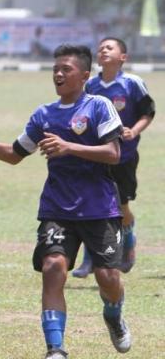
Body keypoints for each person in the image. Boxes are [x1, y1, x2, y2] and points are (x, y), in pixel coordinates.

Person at [0, 44, 131, 359]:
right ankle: (55, 349)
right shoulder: (44, 115)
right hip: (57, 208)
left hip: (99, 208)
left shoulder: (99, 106)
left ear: (84, 75)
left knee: (108, 278)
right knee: (53, 267)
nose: (58, 74)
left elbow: (113, 153)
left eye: (66, 69)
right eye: (55, 69)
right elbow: (14, 154)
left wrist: (69, 147)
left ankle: (114, 314)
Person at [72, 37, 155, 278]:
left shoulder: (132, 83)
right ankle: (89, 259)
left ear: (123, 57)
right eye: (100, 48)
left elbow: (148, 113)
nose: (103, 51)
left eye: (109, 48)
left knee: (121, 207)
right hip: (96, 155)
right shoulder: (90, 85)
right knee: (90, 203)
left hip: (124, 157)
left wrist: (133, 131)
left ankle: (128, 241)